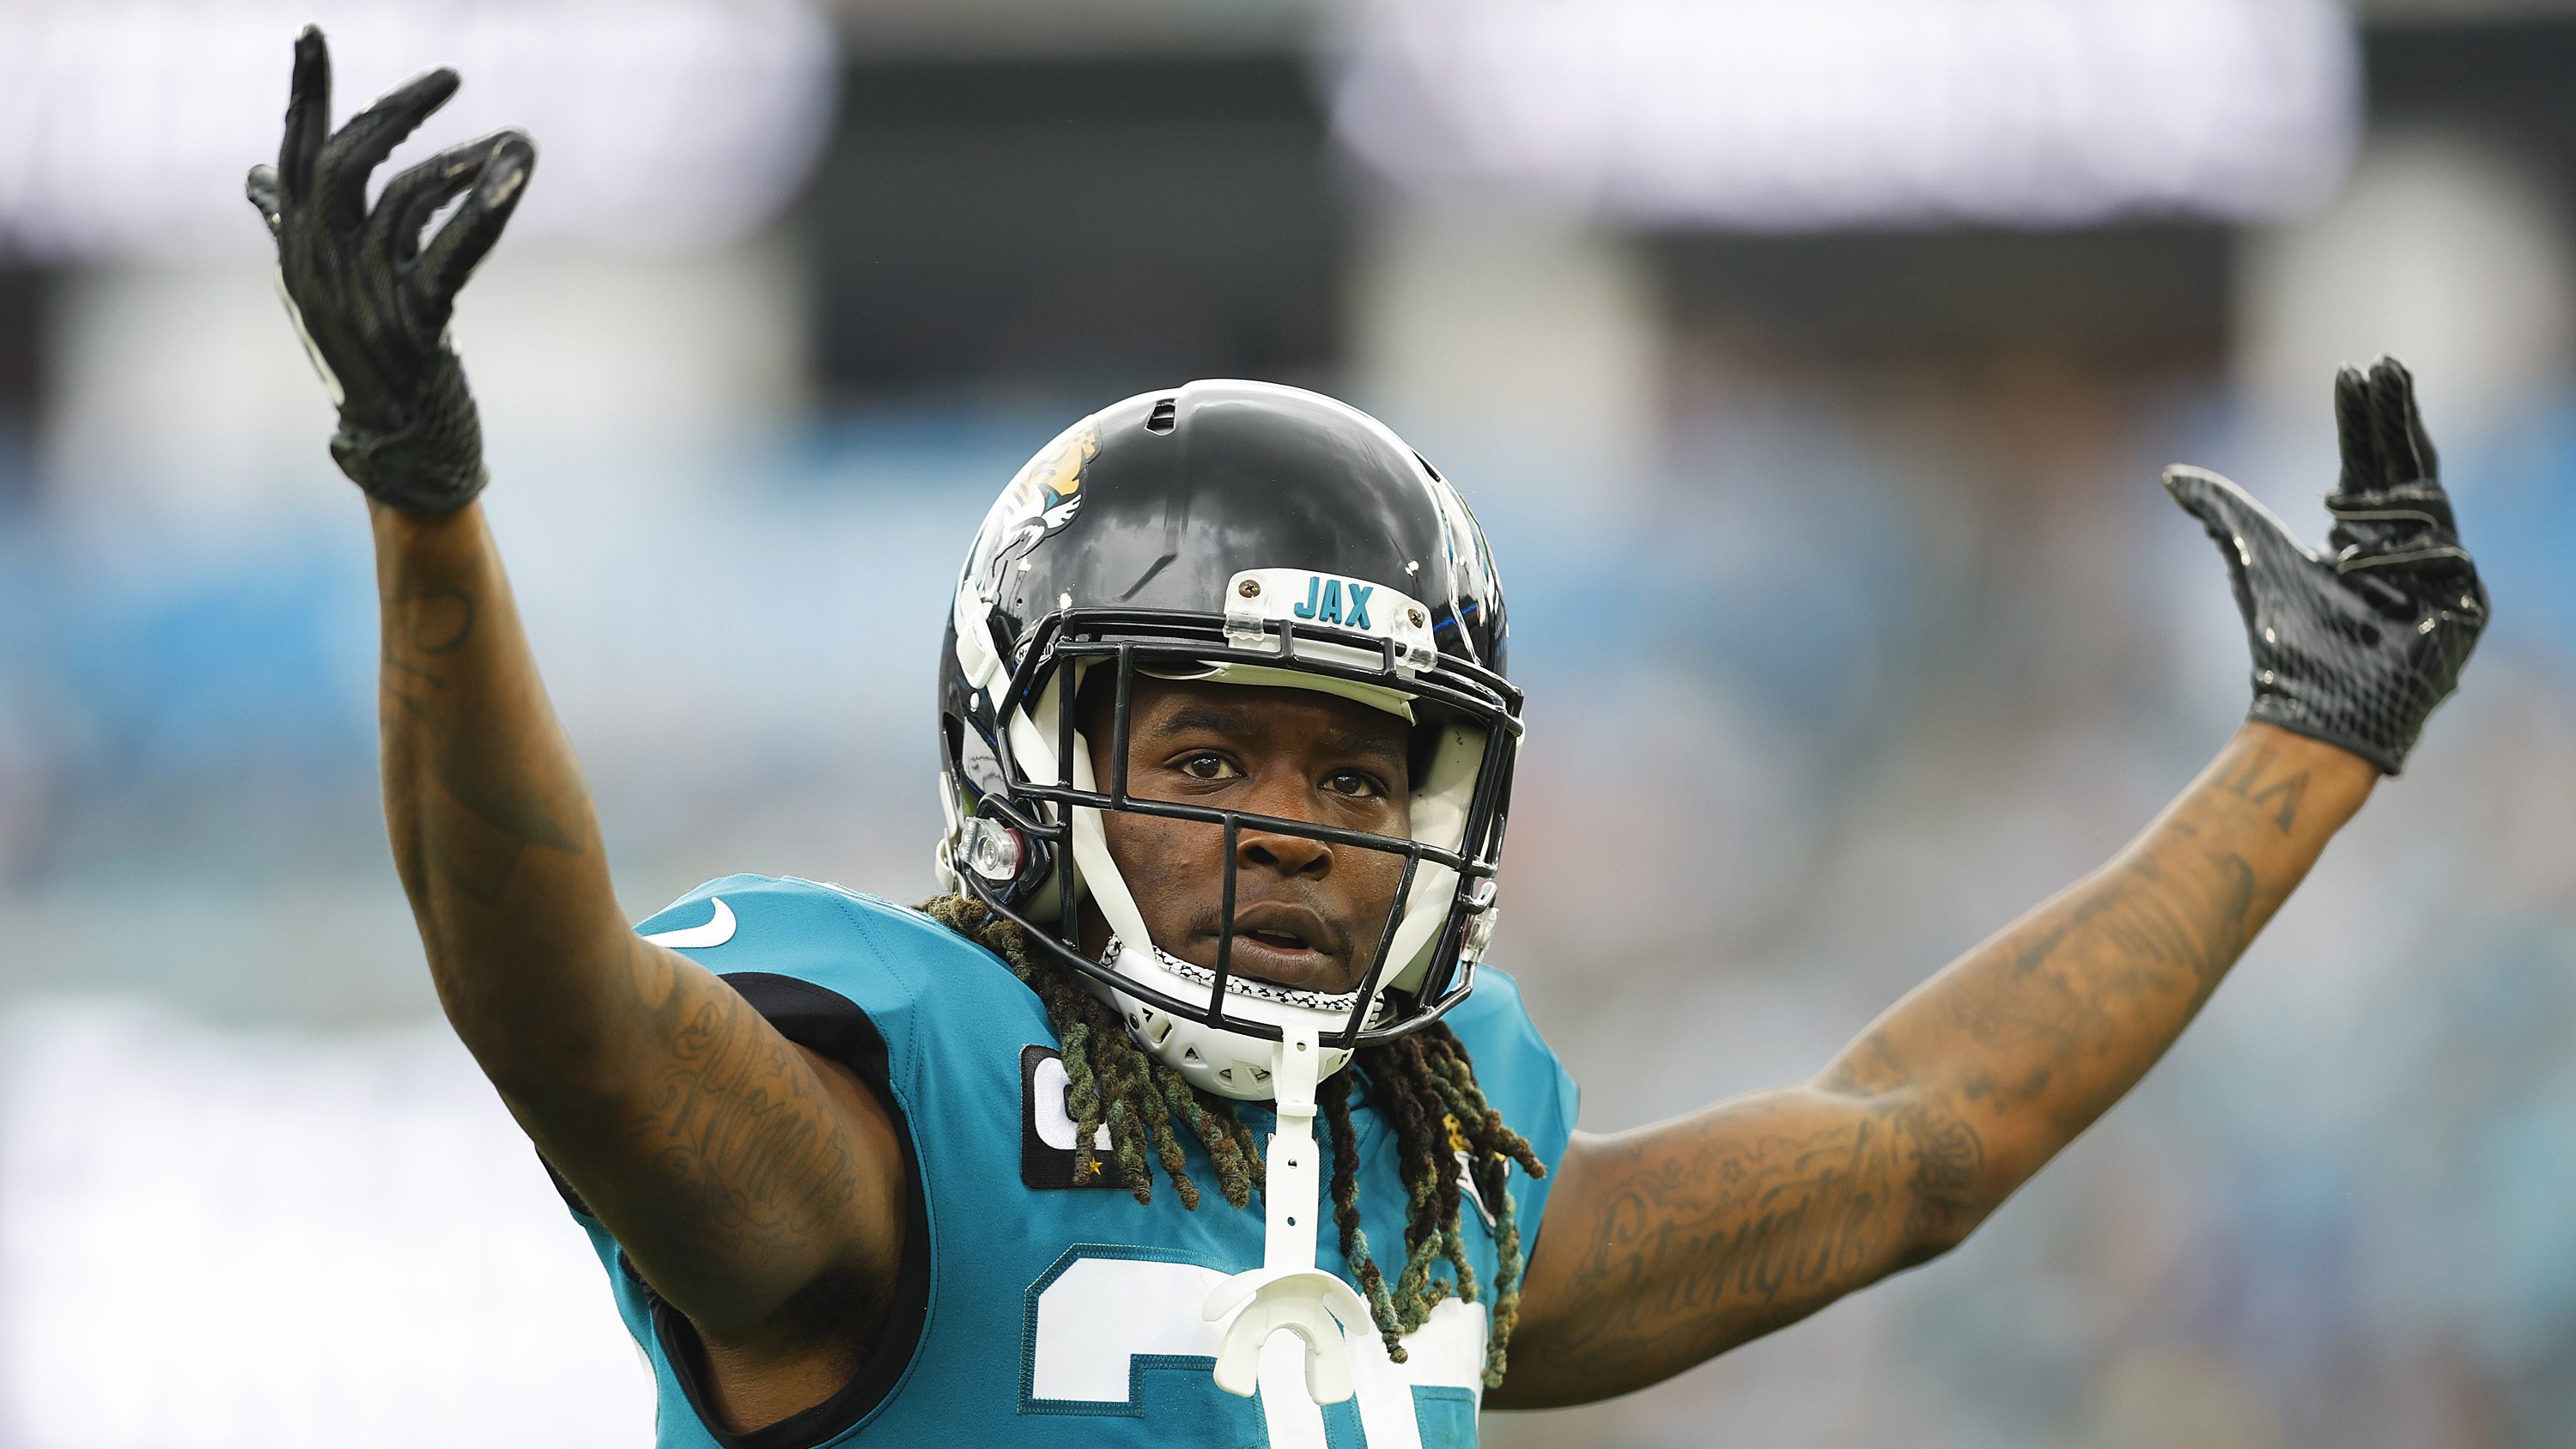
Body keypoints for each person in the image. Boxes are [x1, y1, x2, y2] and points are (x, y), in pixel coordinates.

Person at [246, 29, 2489, 1449]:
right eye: (1214, 761)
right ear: (1033, 757)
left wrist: (2307, 748)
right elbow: (560, 1013)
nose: (1302, 835)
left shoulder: (1438, 1169)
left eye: (1354, 775)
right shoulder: (889, 1102)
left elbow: (1914, 1145)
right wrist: (429, 508)